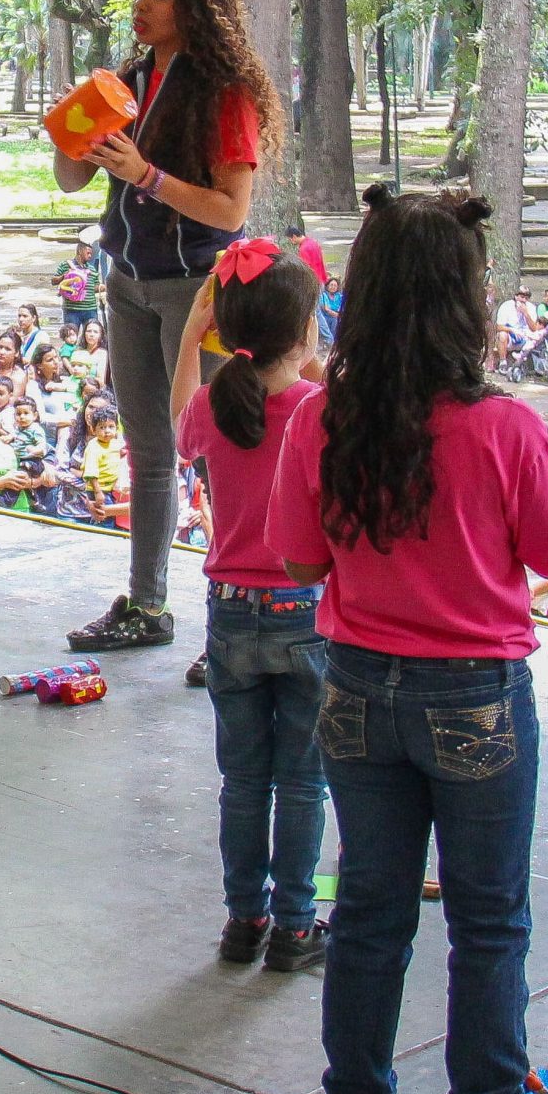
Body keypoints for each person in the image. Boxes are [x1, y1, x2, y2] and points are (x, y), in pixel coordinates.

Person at [267, 186, 548, 1094]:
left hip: (355, 689)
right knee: (488, 923)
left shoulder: (321, 417)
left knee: (369, 913)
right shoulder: (506, 427)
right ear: (467, 298)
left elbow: (296, 559)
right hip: (477, 697)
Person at [54, 0, 271, 654]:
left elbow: (232, 211)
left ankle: (240, 619)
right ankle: (147, 606)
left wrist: (145, 175)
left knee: (213, 453)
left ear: (194, 5)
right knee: (149, 450)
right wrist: (69, 130)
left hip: (198, 290)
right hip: (126, 282)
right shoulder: (125, 84)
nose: (141, 5)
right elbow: (71, 181)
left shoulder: (224, 92)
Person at [171, 240, 327, 972]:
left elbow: (179, 425)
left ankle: (244, 920)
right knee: (302, 781)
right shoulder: (318, 408)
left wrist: (187, 337)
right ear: (303, 332)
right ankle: (295, 927)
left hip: (230, 612)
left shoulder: (214, 405)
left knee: (242, 781)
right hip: (305, 611)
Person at [54, 239, 101, 333]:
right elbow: (53, 281)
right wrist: (64, 276)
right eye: (88, 253)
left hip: (90, 309)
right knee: (71, 335)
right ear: (80, 251)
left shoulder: (92, 269)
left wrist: (102, 288)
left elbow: (95, 287)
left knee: (92, 336)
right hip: (71, 310)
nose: (90, 256)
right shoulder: (65, 265)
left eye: (91, 254)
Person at [315, 275, 343, 353]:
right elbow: (326, 309)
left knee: (336, 321)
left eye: (335, 285)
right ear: (327, 286)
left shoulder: (339, 296)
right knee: (334, 320)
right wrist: (339, 315)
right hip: (326, 316)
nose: (333, 287)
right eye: (331, 285)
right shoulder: (324, 295)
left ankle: (333, 342)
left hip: (335, 317)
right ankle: (330, 342)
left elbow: (342, 308)